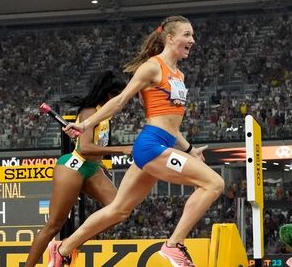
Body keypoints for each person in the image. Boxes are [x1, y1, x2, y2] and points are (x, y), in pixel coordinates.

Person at [47, 16, 224, 267]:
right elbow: (118, 102)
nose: (192, 40)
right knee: (213, 183)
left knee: (119, 209)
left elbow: (172, 124)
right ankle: (174, 245)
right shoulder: (152, 67)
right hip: (151, 146)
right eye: (187, 35)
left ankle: (62, 249)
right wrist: (85, 124)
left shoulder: (179, 75)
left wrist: (190, 149)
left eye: (192, 35)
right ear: (170, 38)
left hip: (161, 144)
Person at [24, 71, 132, 267]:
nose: (123, 101)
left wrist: (100, 163)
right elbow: (85, 148)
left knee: (120, 209)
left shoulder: (104, 113)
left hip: (91, 167)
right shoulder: (90, 112)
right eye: (120, 96)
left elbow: (94, 145)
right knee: (54, 225)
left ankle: (68, 246)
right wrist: (121, 149)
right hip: (73, 166)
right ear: (109, 95)